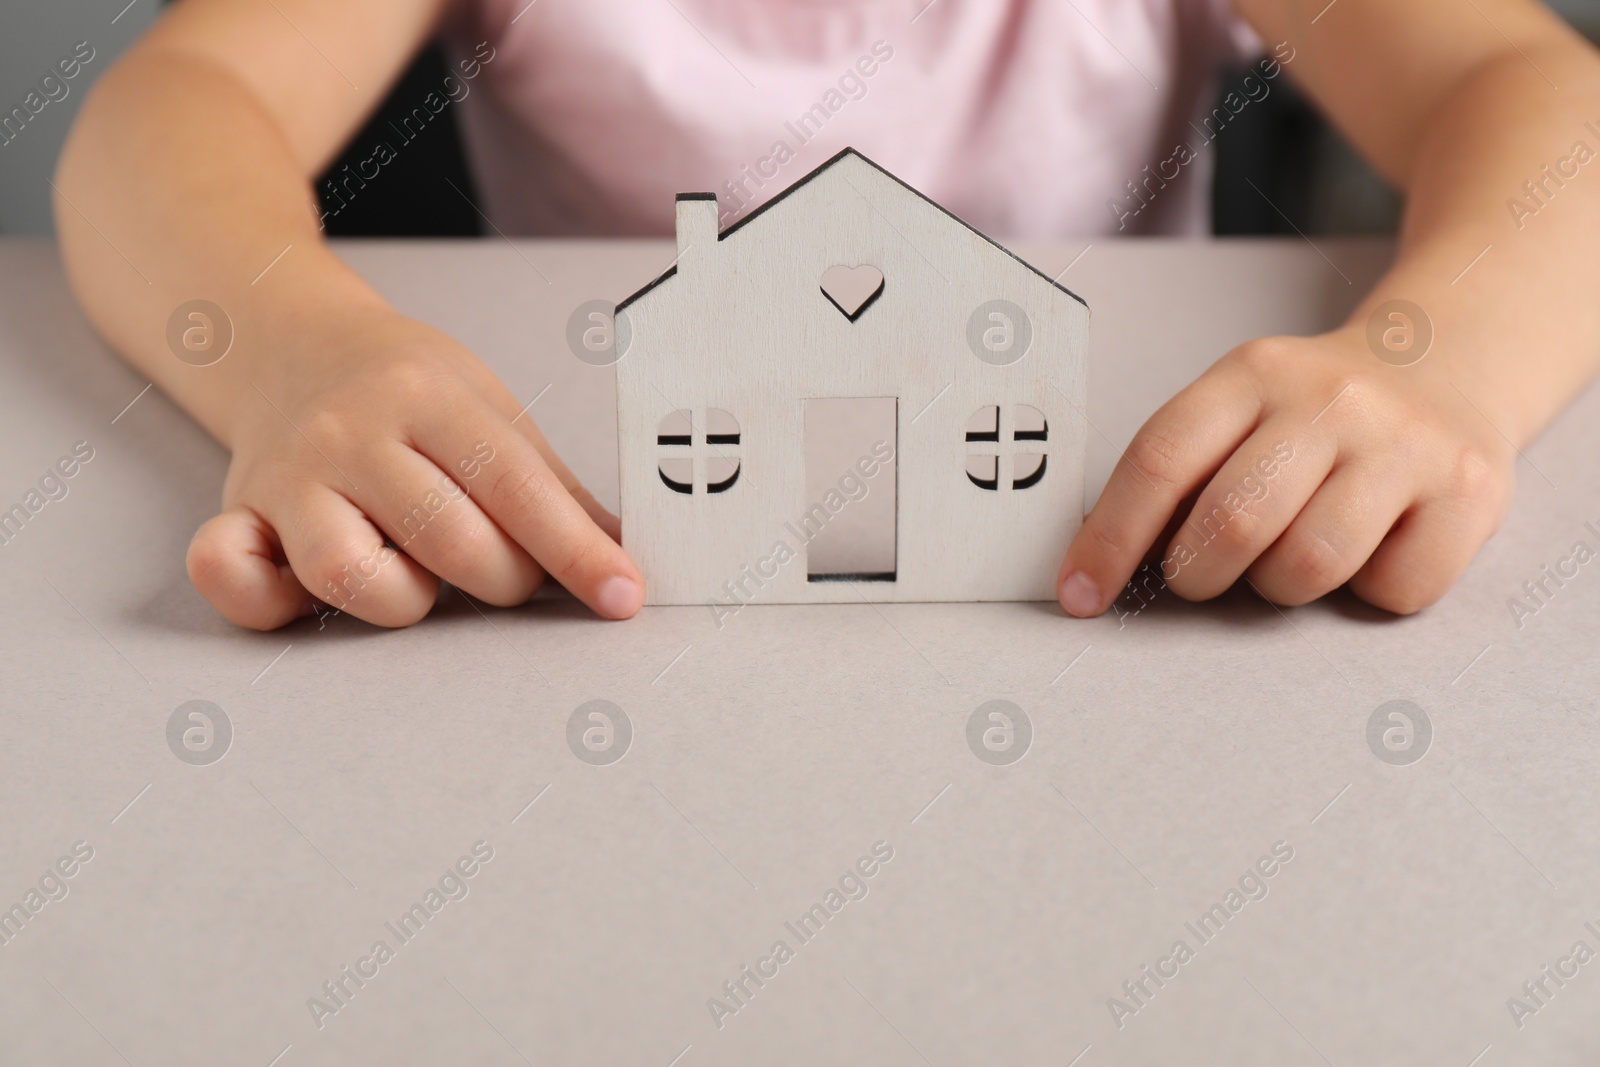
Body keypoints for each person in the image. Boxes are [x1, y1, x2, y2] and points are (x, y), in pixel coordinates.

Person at [53, 0, 1600, 628]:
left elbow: (1532, 91)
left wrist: (1441, 357)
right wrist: (296, 350)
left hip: (1078, 532)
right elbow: (170, 109)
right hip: (637, 546)